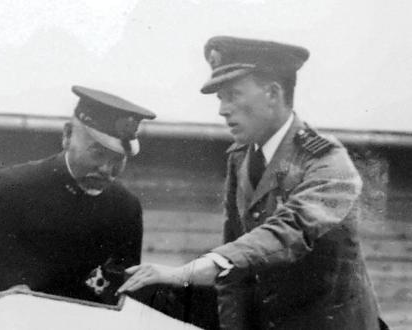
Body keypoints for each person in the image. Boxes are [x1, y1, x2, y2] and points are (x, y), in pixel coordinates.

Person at [117, 36, 386, 329]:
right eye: (220, 98)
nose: (222, 109)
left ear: (272, 92)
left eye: (232, 95)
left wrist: (187, 273)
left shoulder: (327, 162)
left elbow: (291, 228)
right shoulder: (241, 158)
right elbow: (235, 267)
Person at [0, 86, 156, 304]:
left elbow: (120, 291)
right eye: (98, 153)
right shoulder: (10, 189)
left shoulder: (125, 208)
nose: (105, 169)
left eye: (117, 159)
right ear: (67, 136)